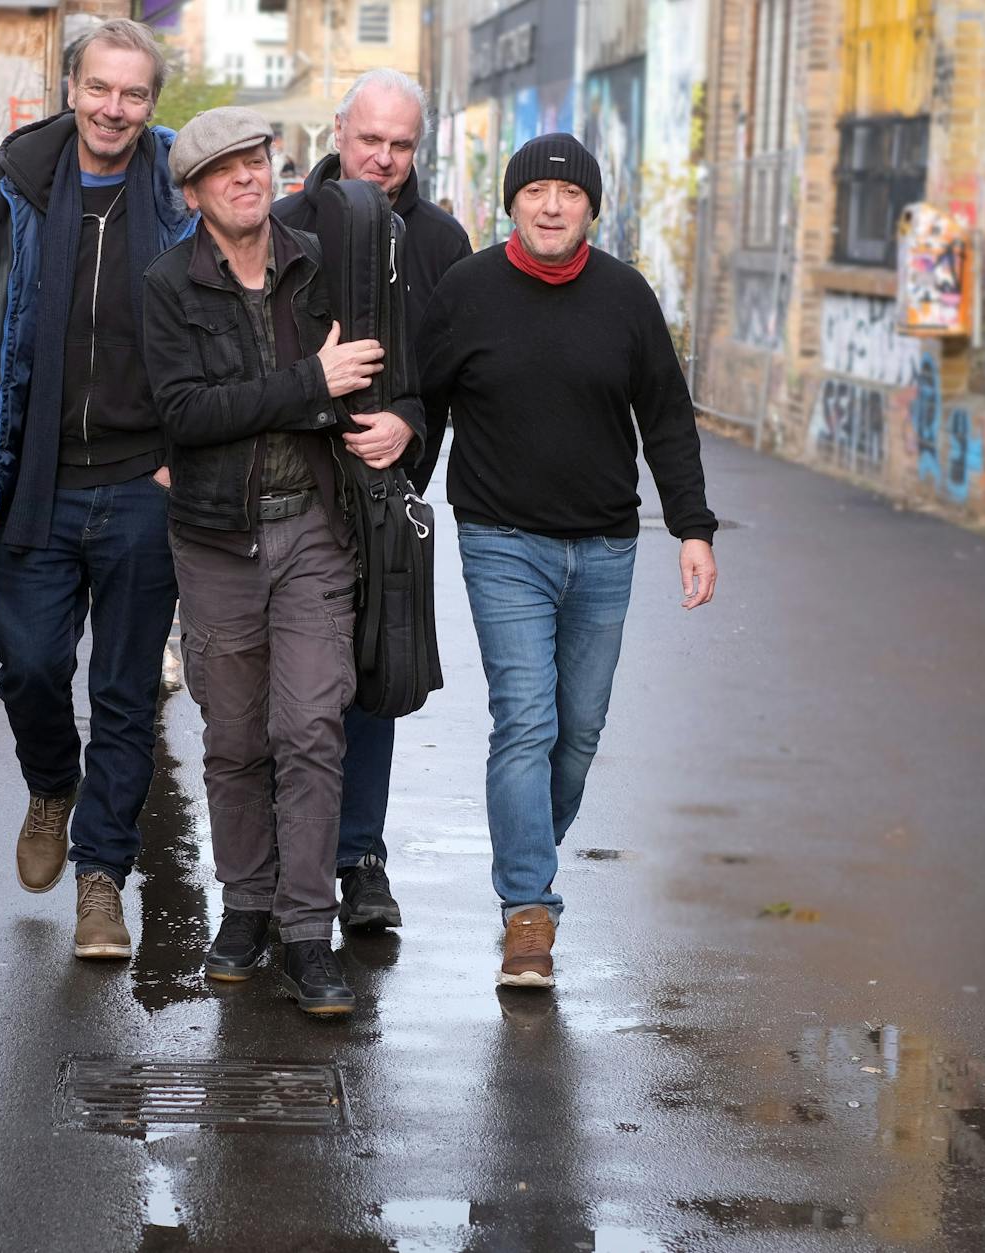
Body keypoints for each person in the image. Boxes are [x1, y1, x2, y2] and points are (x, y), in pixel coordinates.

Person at [416, 134, 719, 989]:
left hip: (606, 547)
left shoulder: (625, 296)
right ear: (511, 202)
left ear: (592, 207)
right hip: (502, 541)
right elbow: (424, 404)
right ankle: (528, 910)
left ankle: (528, 852)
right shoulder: (467, 291)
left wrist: (693, 528)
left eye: (570, 194)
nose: (552, 206)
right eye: (536, 192)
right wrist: (394, 505)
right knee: (526, 722)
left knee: (578, 733)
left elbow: (667, 418)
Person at [141, 107, 423, 1015]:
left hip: (313, 531)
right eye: (222, 169)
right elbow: (187, 413)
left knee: (310, 729)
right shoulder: (167, 285)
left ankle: (307, 931)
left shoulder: (320, 266)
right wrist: (309, 386)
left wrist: (402, 417)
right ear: (193, 194)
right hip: (216, 540)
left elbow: (390, 374)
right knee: (233, 738)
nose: (244, 177)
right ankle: (246, 907)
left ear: (273, 168)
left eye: (255, 160)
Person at [0, 19, 193, 961]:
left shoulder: (179, 191)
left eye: (134, 93)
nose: (114, 108)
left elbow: (218, 323)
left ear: (151, 103)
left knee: (124, 692)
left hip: (144, 483)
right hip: (36, 476)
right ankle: (51, 784)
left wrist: (186, 454)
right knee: (31, 665)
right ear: (72, 87)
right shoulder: (15, 186)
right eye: (100, 88)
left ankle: (101, 880)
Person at [272, 67, 470, 935]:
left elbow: (450, 379)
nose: (384, 159)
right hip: (286, 487)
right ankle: (283, 862)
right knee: (287, 692)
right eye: (370, 140)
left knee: (372, 675)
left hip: (386, 493)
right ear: (337, 131)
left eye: (401, 145)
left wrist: (410, 426)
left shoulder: (442, 241)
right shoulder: (282, 224)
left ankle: (359, 857)